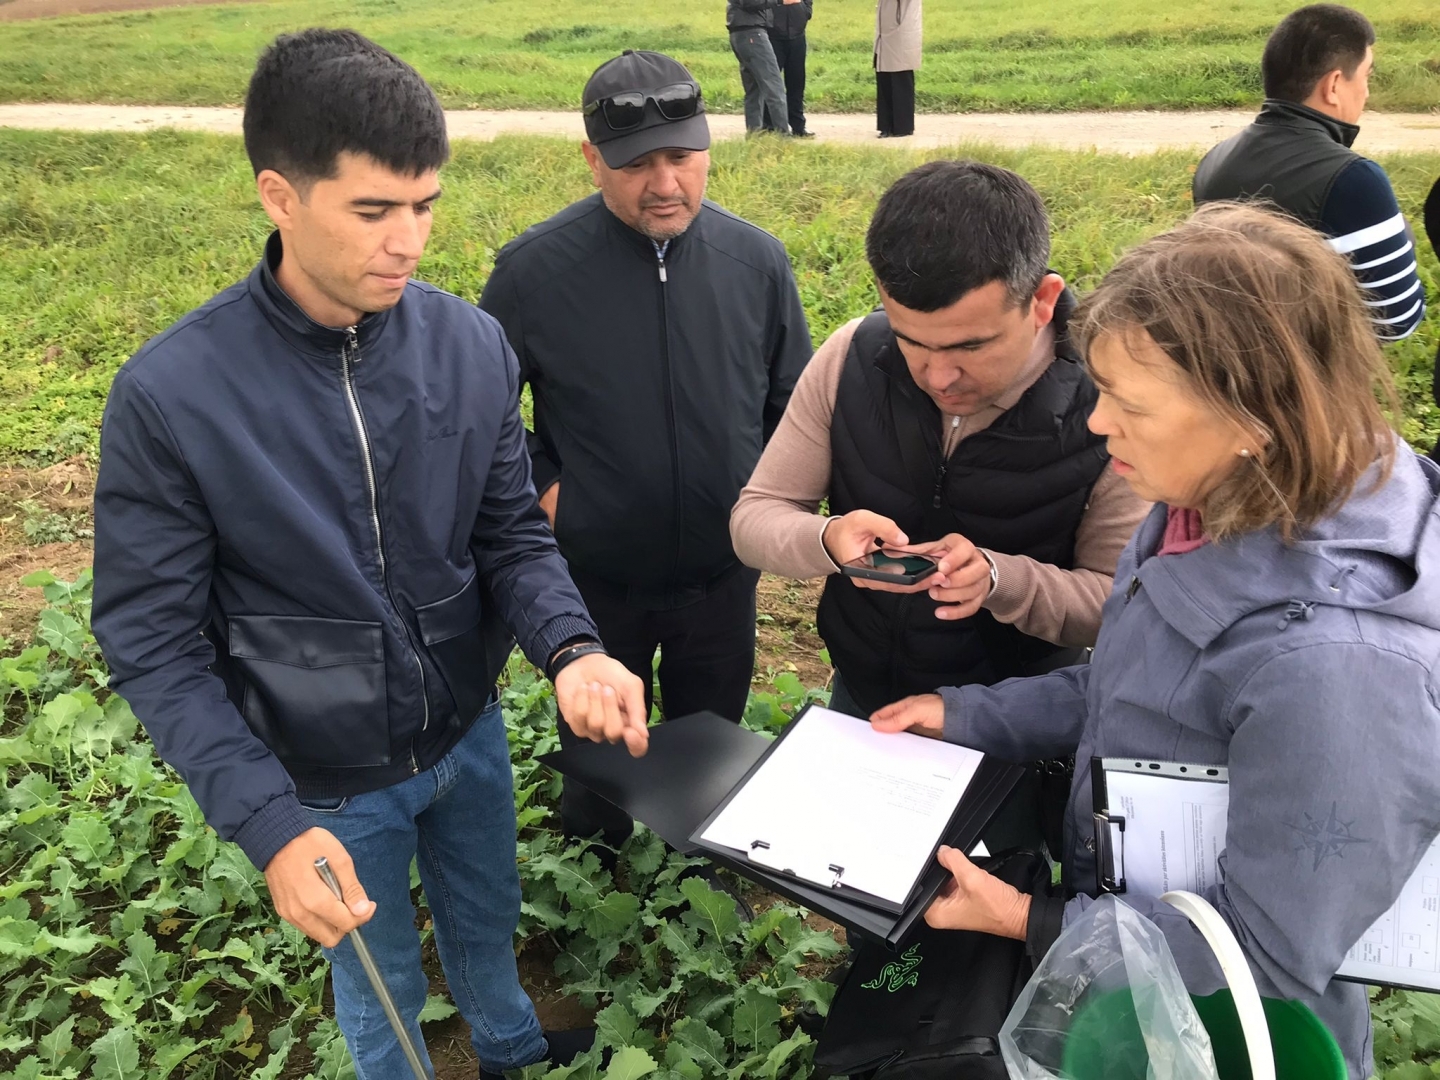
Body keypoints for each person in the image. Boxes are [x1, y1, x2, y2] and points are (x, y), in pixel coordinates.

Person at [91, 29, 649, 1080]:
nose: (409, 244)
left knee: (487, 916)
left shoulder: (469, 344)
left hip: (466, 727)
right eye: (373, 211)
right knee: (379, 975)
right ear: (279, 195)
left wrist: (573, 650)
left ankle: (511, 1048)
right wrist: (267, 823)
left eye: (425, 206)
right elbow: (153, 641)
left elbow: (511, 533)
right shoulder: (173, 396)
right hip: (325, 775)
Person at [873, 203, 1440, 1080]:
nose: (1099, 426)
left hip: (1228, 1041)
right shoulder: (1207, 503)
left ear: (1258, 416)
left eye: (1130, 404)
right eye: (1098, 391)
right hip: (1126, 980)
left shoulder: (1341, 670)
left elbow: (1269, 956)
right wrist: (964, 716)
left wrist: (1029, 920)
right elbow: (1136, 683)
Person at [480, 50, 811, 852]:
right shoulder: (532, 272)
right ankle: (594, 863)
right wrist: (559, 493)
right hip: (595, 581)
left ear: (709, 148)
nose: (665, 183)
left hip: (720, 577)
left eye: (681, 157)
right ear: (593, 159)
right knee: (600, 762)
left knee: (711, 745)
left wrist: (758, 503)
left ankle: (701, 864)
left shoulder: (756, 263)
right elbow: (481, 418)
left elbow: (793, 407)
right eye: (636, 164)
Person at [1193, 4, 1425, 345]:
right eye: (1366, 76)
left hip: (1227, 372)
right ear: (1333, 85)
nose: (1367, 92)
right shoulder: (1353, 179)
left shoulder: (1213, 162)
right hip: (1309, 386)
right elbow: (1397, 320)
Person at [727, 0, 801, 135]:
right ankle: (783, 136)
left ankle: (754, 136)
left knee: (754, 90)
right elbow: (749, 3)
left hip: (742, 32)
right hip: (752, 33)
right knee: (774, 86)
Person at [874, 0, 921, 138]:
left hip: (901, 25)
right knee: (884, 75)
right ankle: (886, 125)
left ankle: (902, 126)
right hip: (885, 26)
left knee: (901, 76)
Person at [768, 0, 814, 138]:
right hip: (773, 36)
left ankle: (798, 126)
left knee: (797, 82)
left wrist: (806, 11)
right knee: (771, 83)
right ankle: (770, 126)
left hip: (797, 35)